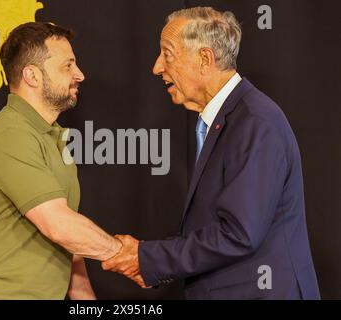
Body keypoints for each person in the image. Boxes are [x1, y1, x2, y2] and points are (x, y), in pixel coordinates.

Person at [102, 7, 320, 299]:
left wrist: (147, 258)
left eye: (167, 54)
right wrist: (150, 263)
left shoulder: (255, 122)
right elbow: (212, 226)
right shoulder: (228, 119)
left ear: (205, 59)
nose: (156, 67)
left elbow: (238, 234)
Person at [0, 22, 122, 300]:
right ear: (32, 75)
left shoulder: (52, 137)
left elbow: (68, 241)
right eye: (67, 66)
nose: (79, 75)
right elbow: (58, 224)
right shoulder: (12, 134)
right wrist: (128, 256)